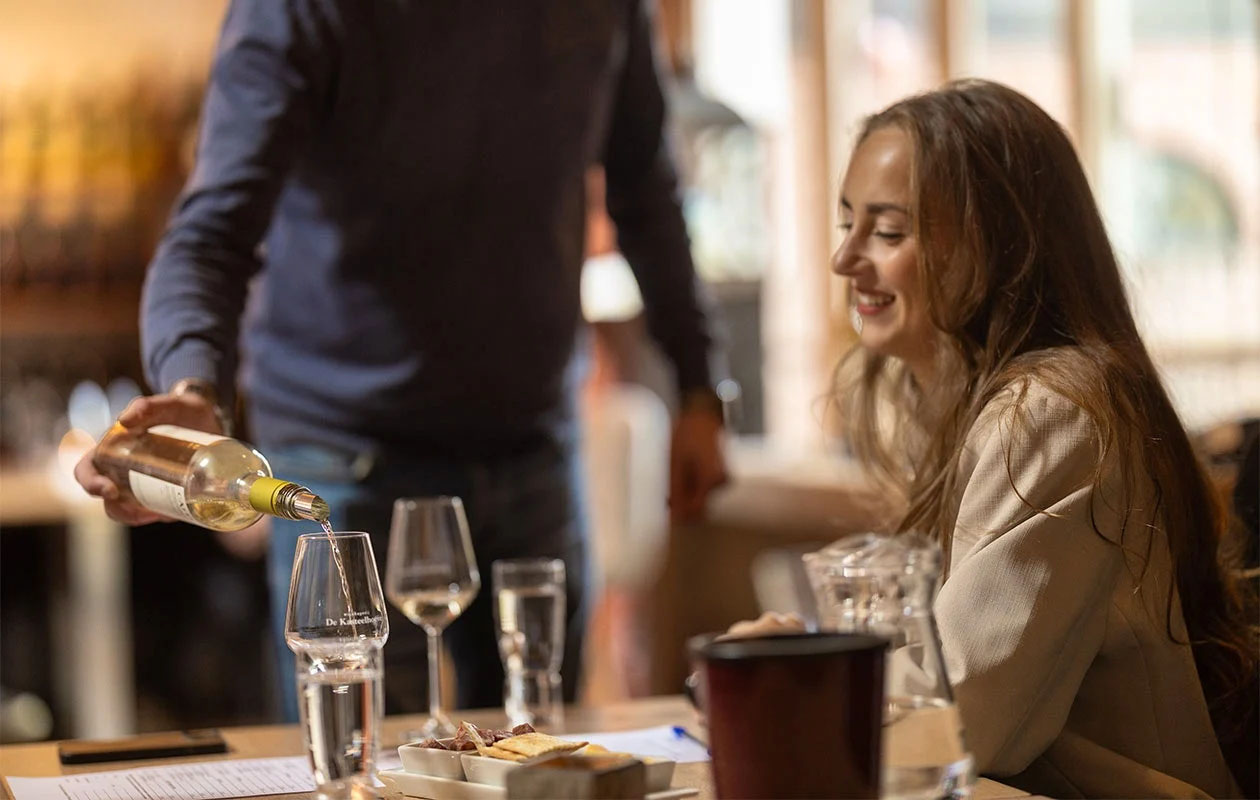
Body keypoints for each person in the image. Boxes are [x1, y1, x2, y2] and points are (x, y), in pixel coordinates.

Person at [73, 0, 728, 723]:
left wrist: (701, 386)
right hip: (345, 462)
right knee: (363, 770)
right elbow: (212, 233)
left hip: (533, 448)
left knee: (544, 760)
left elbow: (648, 193)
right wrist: (194, 391)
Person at [823, 80, 1256, 797]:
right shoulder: (962, 404)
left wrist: (810, 669)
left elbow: (960, 724)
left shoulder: (1050, 415)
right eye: (847, 225)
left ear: (998, 243)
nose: (845, 260)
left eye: (889, 232)